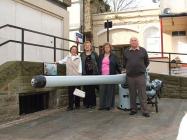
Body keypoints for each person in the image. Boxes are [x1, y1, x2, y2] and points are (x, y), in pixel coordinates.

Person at [123, 37, 150, 117]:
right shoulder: (126, 51)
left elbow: (146, 62)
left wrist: (141, 68)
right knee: (132, 94)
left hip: (140, 75)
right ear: (130, 42)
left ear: (138, 42)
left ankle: (145, 111)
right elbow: (124, 63)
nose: (134, 42)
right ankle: (133, 109)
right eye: (132, 40)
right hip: (130, 76)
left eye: (135, 40)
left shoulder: (143, 50)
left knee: (142, 94)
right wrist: (128, 69)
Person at [57, 45, 82, 111]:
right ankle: (70, 106)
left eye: (75, 49)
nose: (74, 50)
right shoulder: (67, 57)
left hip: (77, 77)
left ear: (77, 51)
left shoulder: (79, 58)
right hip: (69, 77)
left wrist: (80, 76)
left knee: (78, 91)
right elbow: (62, 61)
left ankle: (77, 105)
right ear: (70, 50)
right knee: (70, 92)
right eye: (72, 49)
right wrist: (57, 62)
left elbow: (80, 68)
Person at [98, 42, 121, 110]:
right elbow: (98, 65)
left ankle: (108, 105)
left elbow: (118, 65)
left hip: (110, 75)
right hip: (102, 75)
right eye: (105, 47)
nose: (107, 48)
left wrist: (121, 72)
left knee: (110, 90)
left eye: (108, 47)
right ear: (104, 48)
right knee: (102, 91)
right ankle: (102, 105)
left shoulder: (114, 56)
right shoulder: (101, 56)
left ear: (110, 48)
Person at [80, 41, 99, 109]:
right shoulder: (82, 54)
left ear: (91, 47)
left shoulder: (94, 54)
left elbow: (98, 62)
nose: (87, 46)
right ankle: (86, 103)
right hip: (85, 73)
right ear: (84, 47)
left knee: (92, 89)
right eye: (86, 45)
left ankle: (92, 103)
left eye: (88, 45)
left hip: (93, 73)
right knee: (86, 89)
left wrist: (98, 72)